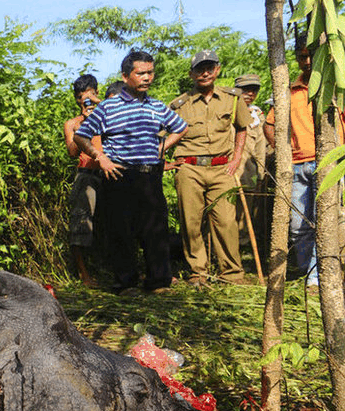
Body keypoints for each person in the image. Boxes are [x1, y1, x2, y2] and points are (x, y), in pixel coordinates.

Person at [74, 51, 188, 295]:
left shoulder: (157, 106)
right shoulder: (108, 107)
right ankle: (126, 283)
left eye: (150, 72)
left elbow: (180, 128)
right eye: (141, 73)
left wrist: (161, 147)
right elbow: (80, 136)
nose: (147, 78)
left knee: (155, 229)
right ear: (126, 76)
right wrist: (101, 157)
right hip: (120, 176)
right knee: (121, 230)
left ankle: (158, 282)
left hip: (150, 175)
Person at [264, 37, 345, 289]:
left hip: (330, 165)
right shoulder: (288, 92)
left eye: (310, 55)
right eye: (301, 56)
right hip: (298, 166)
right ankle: (306, 271)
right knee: (298, 225)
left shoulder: (334, 88)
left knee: (327, 220)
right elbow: (270, 125)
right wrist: (284, 151)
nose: (307, 61)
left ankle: (316, 279)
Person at [169, 50, 250, 287]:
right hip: (189, 170)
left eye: (209, 67)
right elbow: (162, 136)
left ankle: (232, 273)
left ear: (217, 70)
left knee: (226, 221)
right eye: (199, 69)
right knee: (191, 221)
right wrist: (166, 163)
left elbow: (242, 128)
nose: (204, 73)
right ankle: (198, 272)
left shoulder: (233, 99)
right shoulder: (178, 105)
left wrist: (236, 159)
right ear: (191, 74)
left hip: (221, 169)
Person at [63, 74, 102, 286]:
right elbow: (71, 151)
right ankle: (83, 273)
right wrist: (84, 127)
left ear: (96, 94)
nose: (85, 101)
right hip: (86, 175)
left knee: (118, 222)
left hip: (110, 174)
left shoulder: (108, 116)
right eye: (81, 97)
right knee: (80, 224)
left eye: (89, 96)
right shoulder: (73, 124)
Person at [234, 73, 268, 247]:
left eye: (254, 90)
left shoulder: (257, 116)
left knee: (244, 212)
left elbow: (260, 148)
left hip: (247, 174)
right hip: (223, 172)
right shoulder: (226, 110)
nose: (249, 93)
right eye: (245, 89)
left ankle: (242, 246)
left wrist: (261, 176)